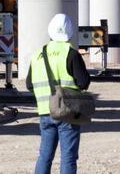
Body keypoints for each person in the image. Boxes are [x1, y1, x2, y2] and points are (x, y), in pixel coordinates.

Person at [26, 13, 90, 174]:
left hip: (45, 111)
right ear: (69, 32)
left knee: (45, 156)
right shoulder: (71, 53)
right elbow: (83, 82)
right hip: (67, 112)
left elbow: (29, 84)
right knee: (68, 156)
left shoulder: (38, 54)